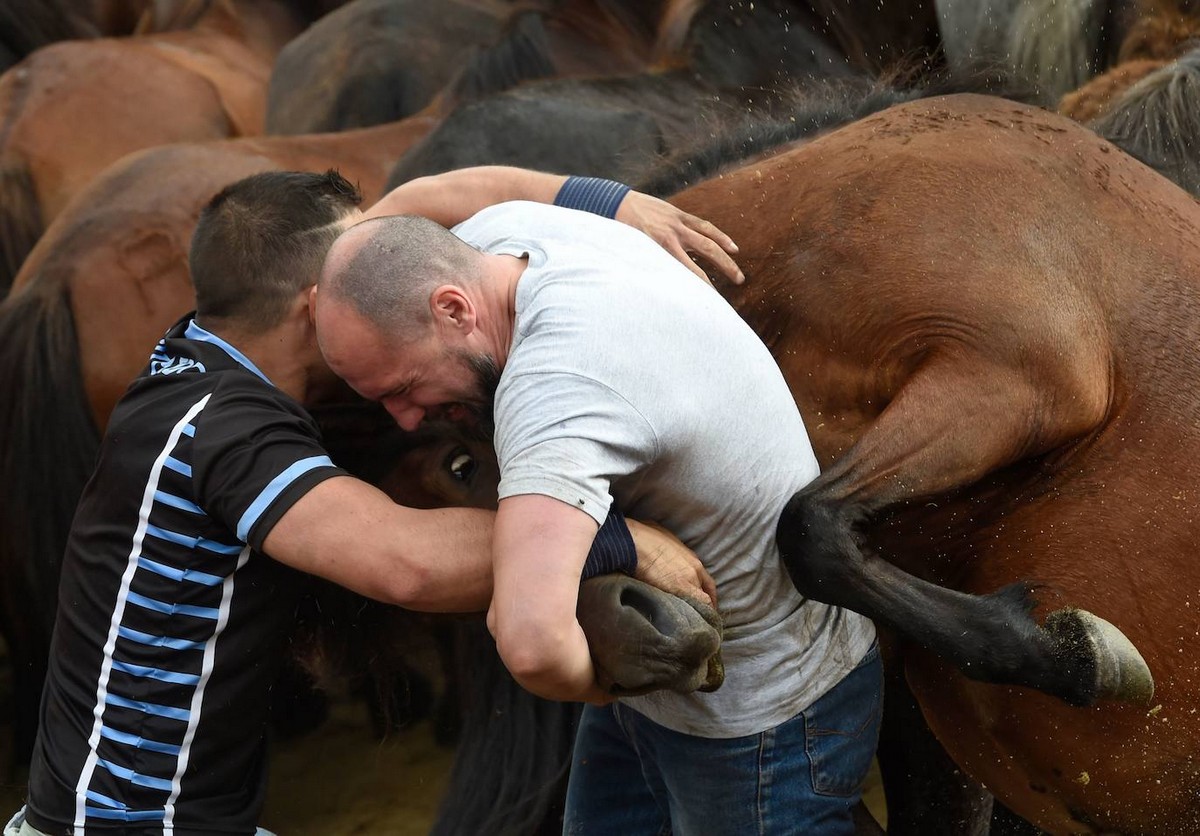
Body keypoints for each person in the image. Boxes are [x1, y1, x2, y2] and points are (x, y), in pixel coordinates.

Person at [8, 168, 737, 836]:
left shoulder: (195, 358)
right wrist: (621, 539)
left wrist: (611, 202)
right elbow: (403, 563)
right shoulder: (228, 434)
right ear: (317, 306)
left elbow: (434, 191)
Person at [313, 202, 882, 835]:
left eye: (402, 387)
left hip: (757, 711)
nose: (405, 420)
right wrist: (610, 197)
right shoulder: (502, 235)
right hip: (667, 666)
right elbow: (447, 186)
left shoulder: (556, 386)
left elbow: (531, 644)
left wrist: (600, 690)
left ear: (452, 309)